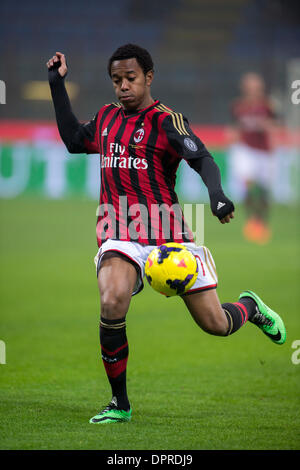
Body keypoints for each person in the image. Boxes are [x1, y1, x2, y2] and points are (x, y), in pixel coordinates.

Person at [47, 45, 286, 424]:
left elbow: (202, 159)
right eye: (116, 80)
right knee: (112, 300)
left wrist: (217, 196)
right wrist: (56, 86)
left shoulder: (167, 121)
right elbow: (75, 141)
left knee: (216, 324)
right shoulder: (107, 118)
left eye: (130, 78)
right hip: (119, 233)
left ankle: (251, 308)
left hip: (169, 236)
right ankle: (119, 403)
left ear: (148, 77)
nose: (123, 86)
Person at [228, 72, 276, 244]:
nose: (253, 89)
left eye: (255, 86)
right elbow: (235, 126)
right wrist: (232, 135)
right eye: (249, 85)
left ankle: (262, 221)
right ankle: (251, 222)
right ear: (244, 88)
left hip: (264, 150)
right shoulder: (238, 106)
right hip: (245, 149)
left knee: (263, 188)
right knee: (247, 182)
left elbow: (275, 125)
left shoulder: (268, 105)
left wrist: (268, 127)